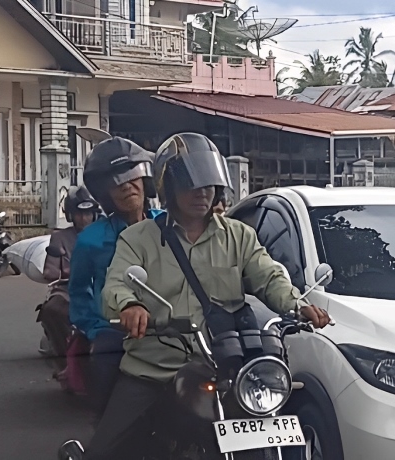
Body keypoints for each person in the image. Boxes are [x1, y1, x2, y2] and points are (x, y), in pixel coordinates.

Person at [86, 133, 330, 459]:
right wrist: (129, 305)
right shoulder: (137, 239)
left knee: (266, 426)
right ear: (169, 186)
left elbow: (269, 276)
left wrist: (297, 305)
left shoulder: (238, 236)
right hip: (155, 368)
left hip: (223, 365)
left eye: (209, 185)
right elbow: (116, 284)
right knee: (104, 450)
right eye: (192, 184)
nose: (202, 192)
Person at [68, 137, 162, 415]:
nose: (126, 186)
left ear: (146, 181)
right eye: (116, 182)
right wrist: (97, 328)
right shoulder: (90, 239)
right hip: (115, 333)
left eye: (132, 177)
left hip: (170, 327)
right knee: (107, 396)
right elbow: (78, 291)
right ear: (105, 193)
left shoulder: (168, 226)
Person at [38, 186, 100, 369]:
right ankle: (65, 360)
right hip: (68, 288)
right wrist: (68, 269)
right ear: (70, 216)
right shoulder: (60, 238)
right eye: (79, 214)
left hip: (101, 286)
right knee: (52, 309)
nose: (84, 218)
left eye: (88, 213)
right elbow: (49, 272)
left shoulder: (104, 234)